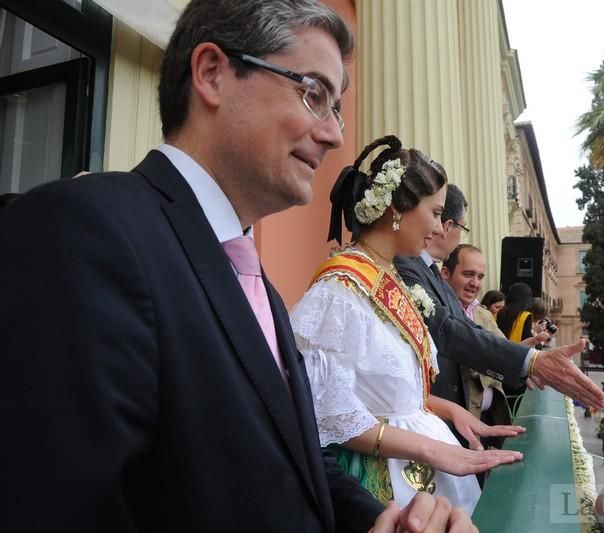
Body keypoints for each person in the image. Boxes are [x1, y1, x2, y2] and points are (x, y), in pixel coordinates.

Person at [0, 2, 474, 531]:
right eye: (314, 93)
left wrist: (379, 521)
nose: (335, 135)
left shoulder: (256, 283)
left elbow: (294, 459)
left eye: (336, 108)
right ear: (212, 74)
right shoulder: (83, 229)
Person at [292, 136, 524, 514]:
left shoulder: (390, 276)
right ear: (398, 208)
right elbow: (328, 411)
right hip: (381, 485)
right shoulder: (340, 291)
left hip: (428, 464)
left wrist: (451, 412)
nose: (438, 227)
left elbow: (389, 390)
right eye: (434, 213)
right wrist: (434, 449)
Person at [393, 186, 604, 423]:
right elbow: (447, 330)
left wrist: (521, 359)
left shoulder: (430, 272)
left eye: (480, 277)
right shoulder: (404, 265)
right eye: (435, 214)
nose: (435, 227)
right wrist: (530, 361)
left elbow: (467, 327)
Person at [441, 244, 513, 444]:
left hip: (490, 421)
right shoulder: (438, 313)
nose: (475, 283)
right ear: (445, 273)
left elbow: (504, 351)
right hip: (455, 431)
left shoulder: (483, 314)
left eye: (480, 277)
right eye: (468, 274)